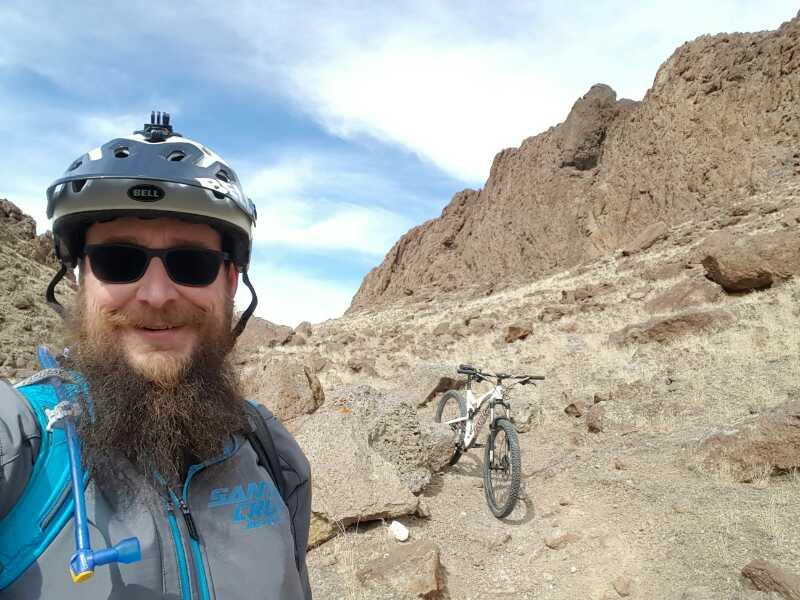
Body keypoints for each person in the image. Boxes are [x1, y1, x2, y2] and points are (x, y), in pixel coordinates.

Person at [0, 113, 312, 599]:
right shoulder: (17, 447)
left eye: (193, 263)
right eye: (118, 260)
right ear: (83, 277)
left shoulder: (273, 456)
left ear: (230, 282)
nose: (157, 294)